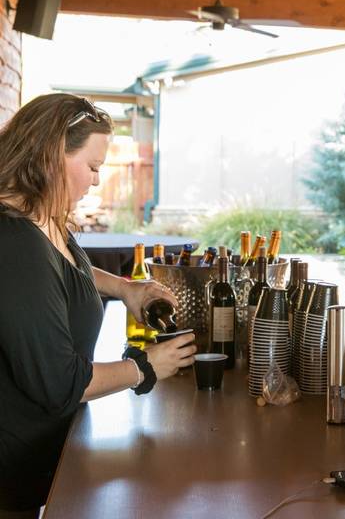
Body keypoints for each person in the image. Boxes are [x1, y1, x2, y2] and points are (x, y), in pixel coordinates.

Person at [0, 94, 197, 517]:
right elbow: (58, 383)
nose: (95, 182)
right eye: (92, 167)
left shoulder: (46, 219)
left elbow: (71, 270)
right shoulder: (14, 243)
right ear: (52, 155)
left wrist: (127, 289)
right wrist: (146, 367)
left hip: (47, 453)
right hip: (10, 473)